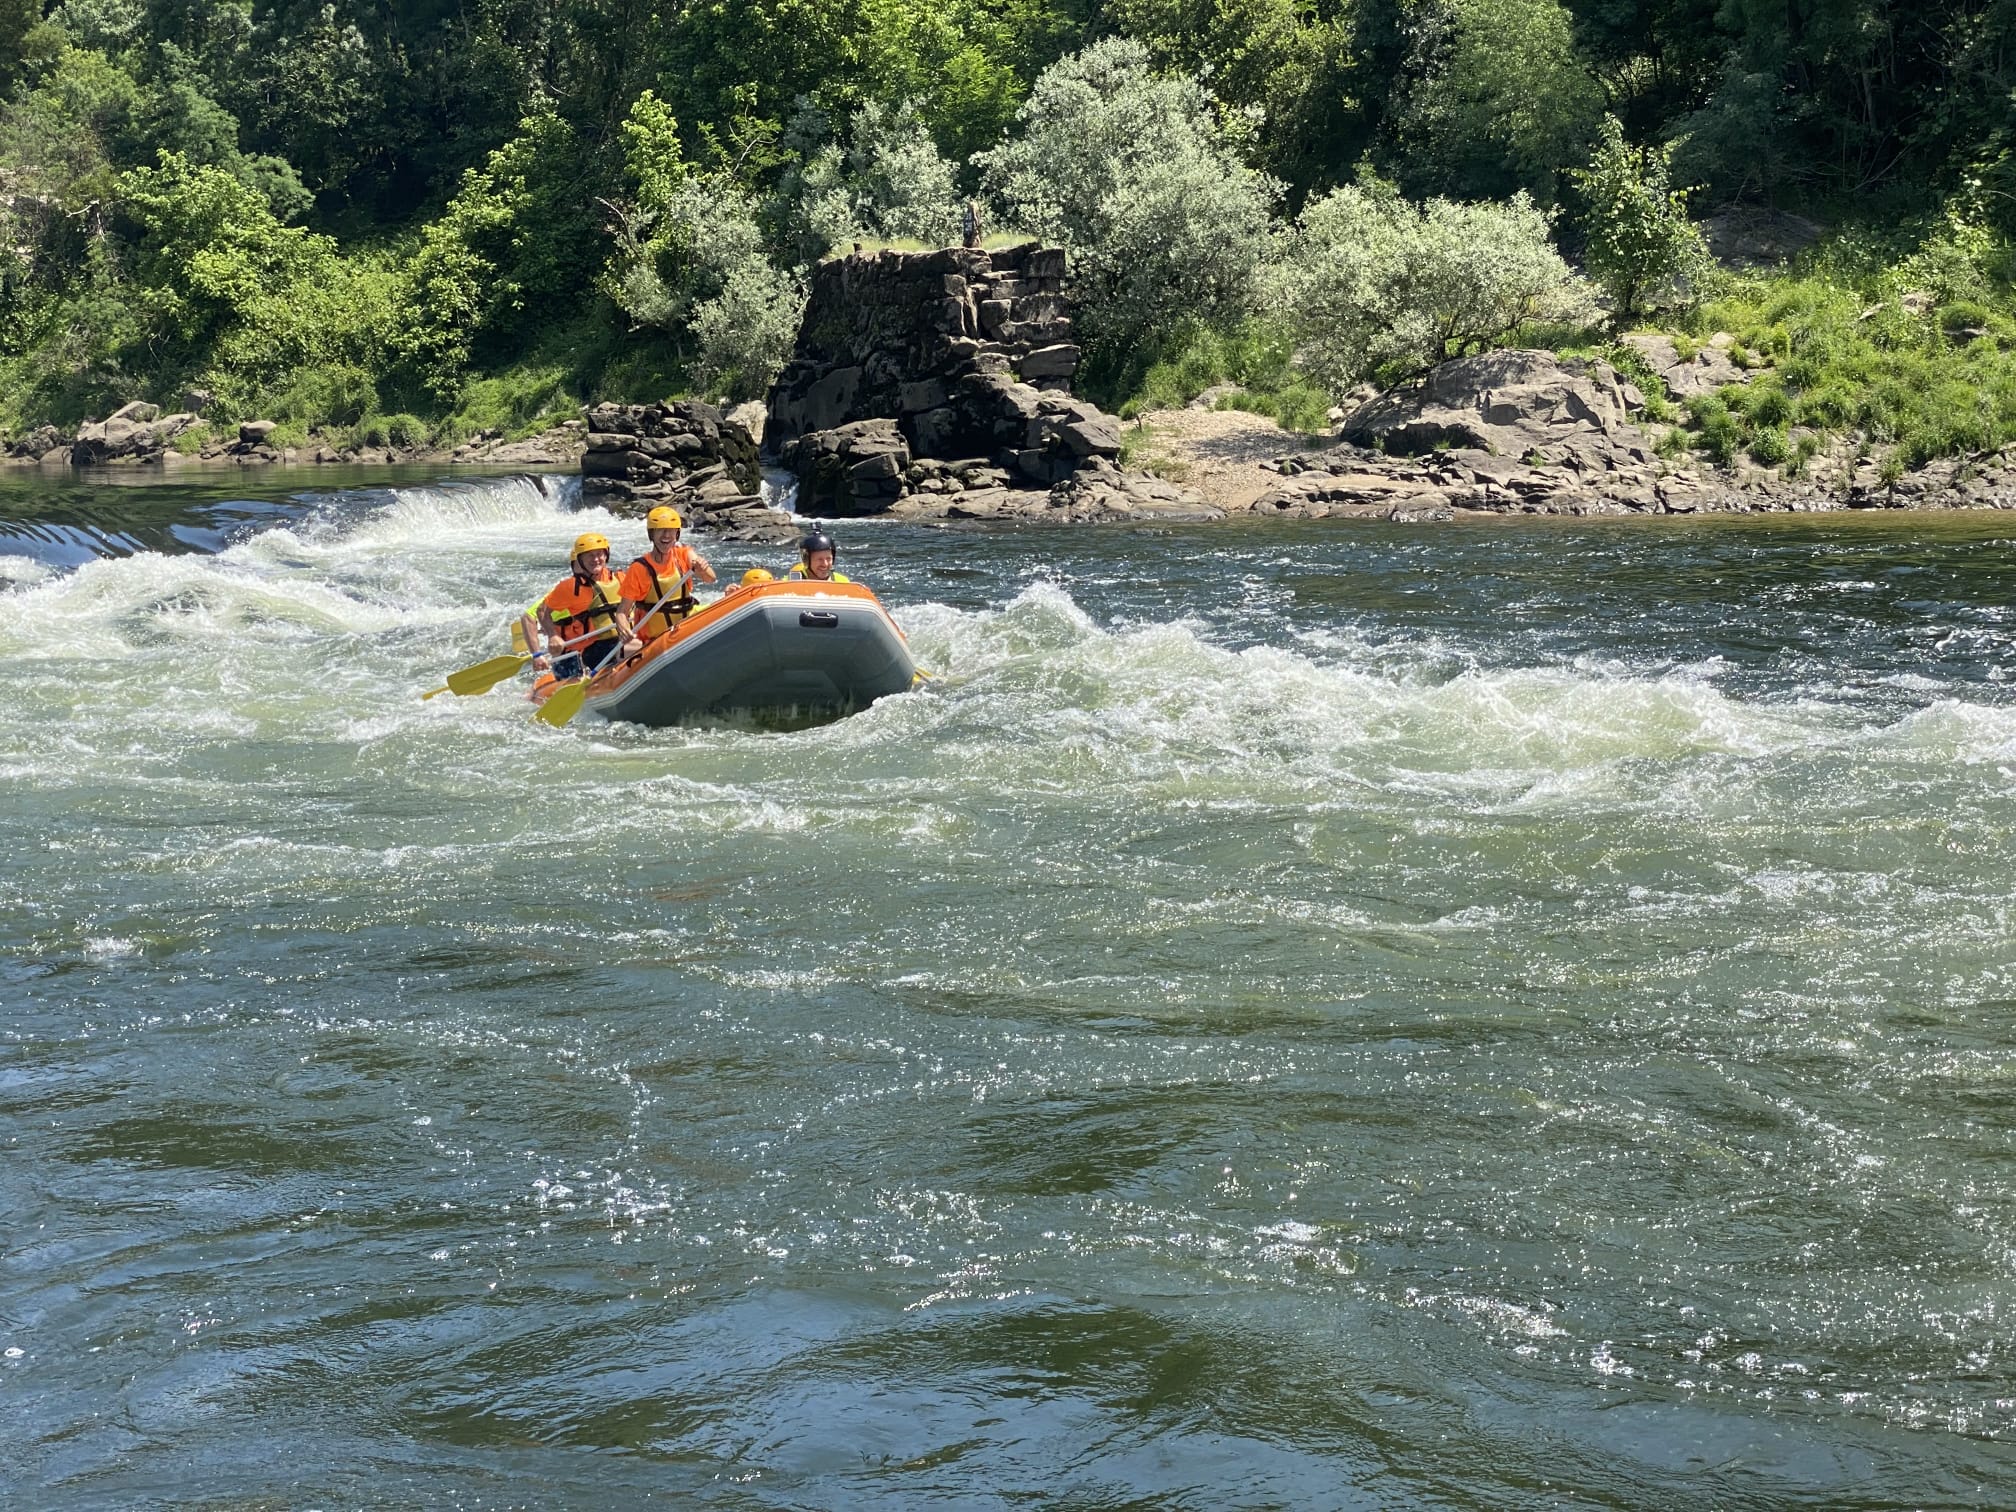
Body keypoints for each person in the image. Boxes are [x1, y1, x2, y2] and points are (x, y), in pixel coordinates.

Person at [535, 532, 637, 680]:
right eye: (589, 555)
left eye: (599, 554)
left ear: (606, 555)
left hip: (622, 639)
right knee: (627, 648)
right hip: (595, 648)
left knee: (635, 643)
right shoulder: (570, 587)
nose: (595, 559)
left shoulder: (620, 578)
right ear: (580, 560)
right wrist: (553, 636)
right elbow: (542, 610)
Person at [620, 505, 716, 641]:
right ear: (651, 534)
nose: (666, 535)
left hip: (687, 626)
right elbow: (622, 612)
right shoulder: (639, 568)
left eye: (671, 531)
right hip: (658, 638)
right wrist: (624, 628)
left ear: (677, 534)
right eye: (660, 530)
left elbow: (711, 579)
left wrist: (703, 568)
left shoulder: (684, 554)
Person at [784, 530, 851, 584]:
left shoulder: (842, 582)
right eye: (819, 559)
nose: (825, 564)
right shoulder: (789, 583)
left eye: (828, 559)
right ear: (807, 560)